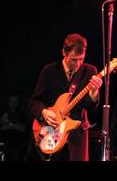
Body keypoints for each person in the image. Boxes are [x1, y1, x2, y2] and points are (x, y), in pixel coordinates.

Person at [28, 33, 103, 161]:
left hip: (77, 137)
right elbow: (34, 101)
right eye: (74, 59)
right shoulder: (49, 71)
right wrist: (44, 112)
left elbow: (91, 108)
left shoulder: (90, 71)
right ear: (64, 52)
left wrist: (94, 92)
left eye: (81, 59)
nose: (78, 64)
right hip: (51, 132)